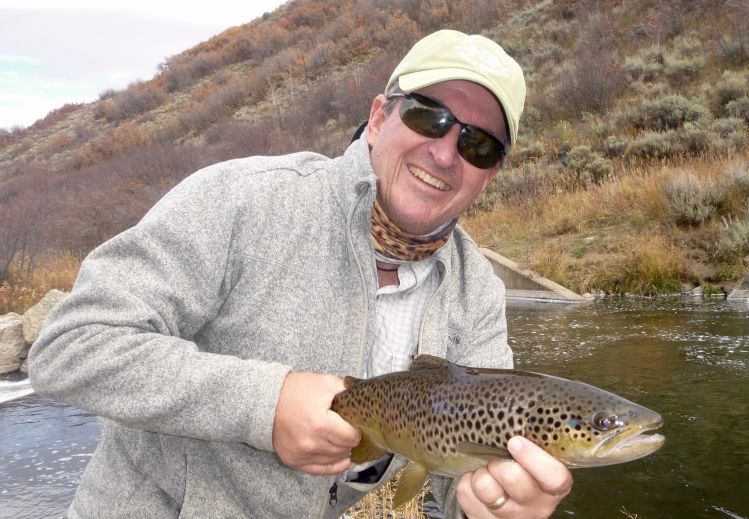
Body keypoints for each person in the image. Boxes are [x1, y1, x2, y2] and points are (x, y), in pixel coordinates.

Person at [29, 30, 572, 519]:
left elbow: (459, 477)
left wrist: (496, 500)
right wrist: (264, 405)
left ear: (490, 174)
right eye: (429, 115)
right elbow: (70, 345)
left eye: (479, 144)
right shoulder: (241, 199)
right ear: (380, 117)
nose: (447, 151)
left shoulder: (476, 291)